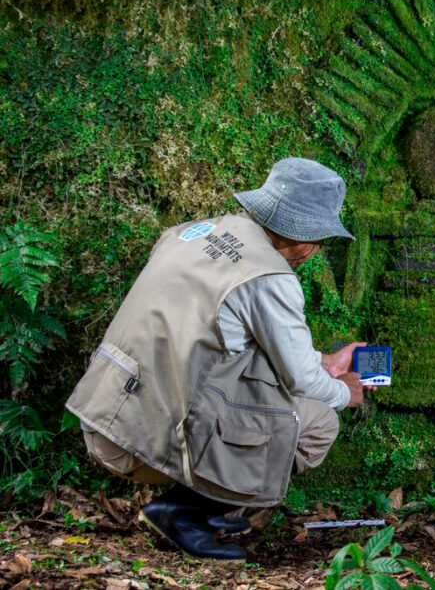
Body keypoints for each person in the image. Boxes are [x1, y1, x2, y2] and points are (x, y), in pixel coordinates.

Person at [66, 158, 371, 561]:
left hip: (105, 418)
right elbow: (299, 381)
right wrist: (341, 391)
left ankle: (199, 504)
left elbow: (219, 336)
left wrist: (325, 362)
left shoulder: (195, 233)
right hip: (149, 443)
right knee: (318, 421)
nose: (314, 252)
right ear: (303, 235)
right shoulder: (269, 276)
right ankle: (184, 511)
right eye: (319, 241)